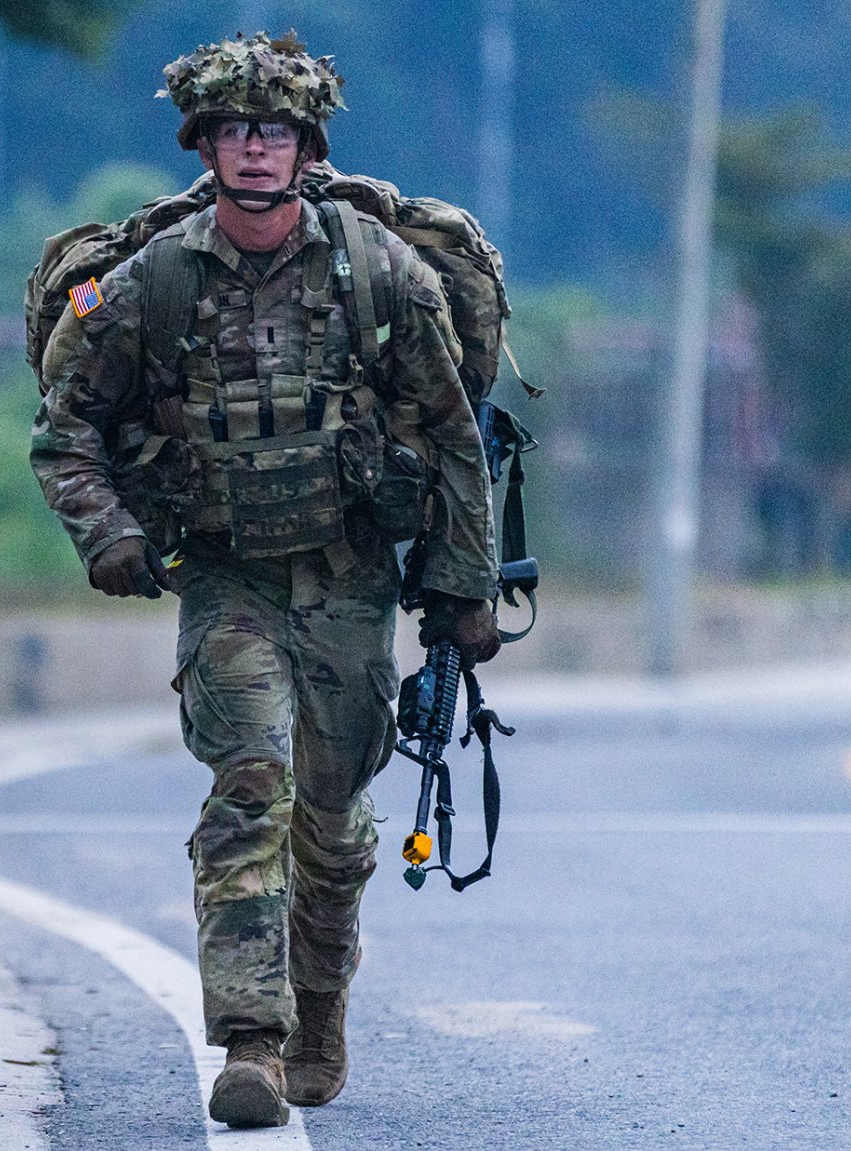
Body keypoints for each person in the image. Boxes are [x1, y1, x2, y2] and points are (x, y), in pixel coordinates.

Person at [30, 31, 501, 1128]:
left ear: (304, 148)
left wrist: (462, 588)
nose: (253, 151)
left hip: (346, 580)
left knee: (330, 824)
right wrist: (103, 532)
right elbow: (64, 433)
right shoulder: (151, 281)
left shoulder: (378, 271)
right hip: (225, 576)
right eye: (235, 131)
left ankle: (318, 1007)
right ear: (205, 145)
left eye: (274, 132)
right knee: (251, 782)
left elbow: (449, 435)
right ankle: (250, 1034)